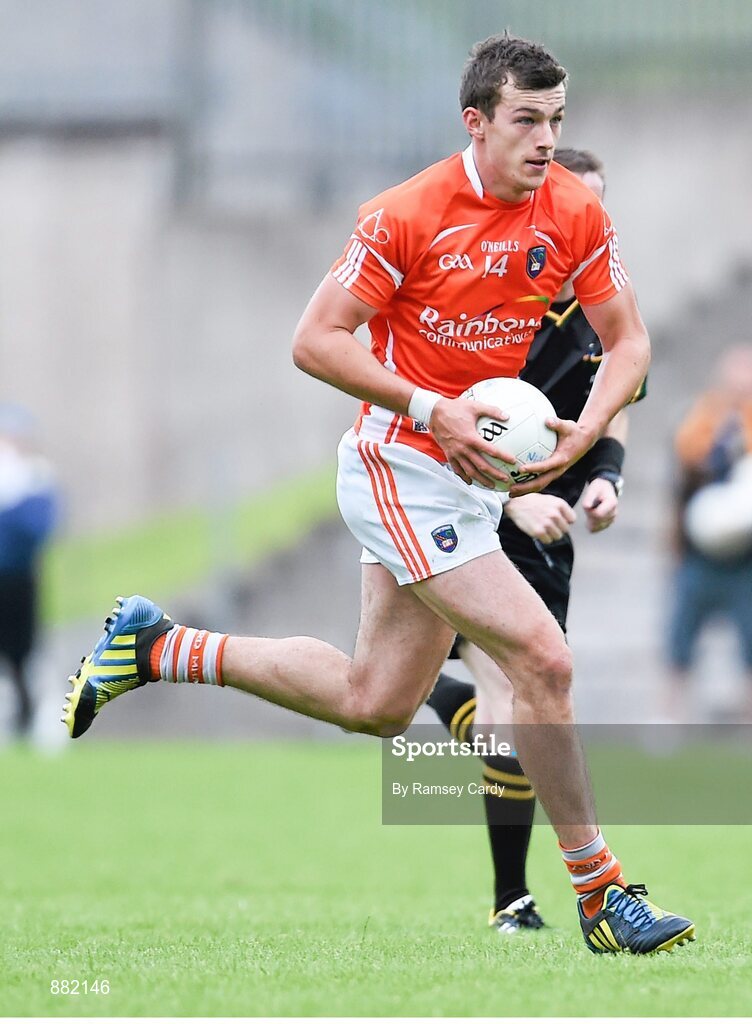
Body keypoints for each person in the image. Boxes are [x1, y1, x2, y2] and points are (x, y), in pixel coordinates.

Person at [62, 33, 693, 954]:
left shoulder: (572, 211)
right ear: (475, 122)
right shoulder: (406, 214)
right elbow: (316, 339)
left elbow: (628, 340)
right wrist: (432, 409)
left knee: (378, 702)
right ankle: (601, 895)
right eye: (527, 120)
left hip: (471, 480)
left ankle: (162, 645)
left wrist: (587, 434)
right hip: (401, 466)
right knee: (544, 662)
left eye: (557, 121)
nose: (546, 140)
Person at [425, 148, 646, 933]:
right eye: (575, 205)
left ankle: (512, 898)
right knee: (510, 701)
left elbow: (617, 400)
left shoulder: (602, 307)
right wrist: (508, 503)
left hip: (547, 529)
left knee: (508, 705)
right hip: (466, 510)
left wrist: (607, 475)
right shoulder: (484, 299)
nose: (589, 223)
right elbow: (437, 420)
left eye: (600, 207)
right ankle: (514, 900)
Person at [664, 344, 752, 722]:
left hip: (748, 552)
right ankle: (672, 716)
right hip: (699, 550)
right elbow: (682, 475)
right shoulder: (699, 417)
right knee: (681, 633)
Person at [0, 404, 59, 738]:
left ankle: (28, 721)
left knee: (23, 655)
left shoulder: (35, 478)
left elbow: (39, 528)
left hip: (20, 580)